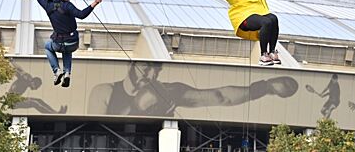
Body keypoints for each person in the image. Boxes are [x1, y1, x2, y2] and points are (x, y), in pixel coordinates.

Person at [88, 62, 298, 116]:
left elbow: (220, 97)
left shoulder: (168, 92)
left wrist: (265, 88)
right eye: (146, 68)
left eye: (156, 71)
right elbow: (95, 129)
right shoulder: (104, 92)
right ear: (131, 66)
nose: (151, 76)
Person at [213, 0, 296, 65]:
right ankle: (263, 54)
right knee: (266, 22)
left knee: (273, 18)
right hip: (243, 16)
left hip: (258, 13)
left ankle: (272, 51)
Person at [34, 0, 102, 87]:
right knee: (67, 48)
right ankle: (67, 74)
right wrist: (95, 2)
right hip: (72, 43)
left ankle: (57, 71)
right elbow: (81, 15)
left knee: (48, 46)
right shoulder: (67, 6)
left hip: (58, 43)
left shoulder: (48, 5)